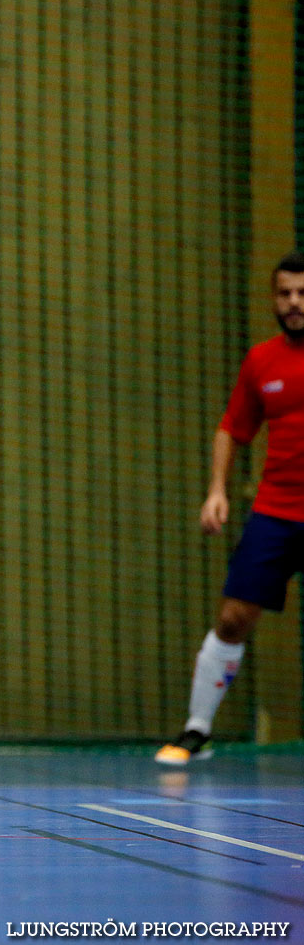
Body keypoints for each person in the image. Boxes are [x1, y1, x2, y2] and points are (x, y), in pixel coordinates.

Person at [157, 251, 304, 765]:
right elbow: (232, 428)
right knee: (234, 616)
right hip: (277, 512)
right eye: (284, 293)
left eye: (302, 293)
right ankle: (196, 730)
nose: (293, 302)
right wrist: (217, 490)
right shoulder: (261, 361)